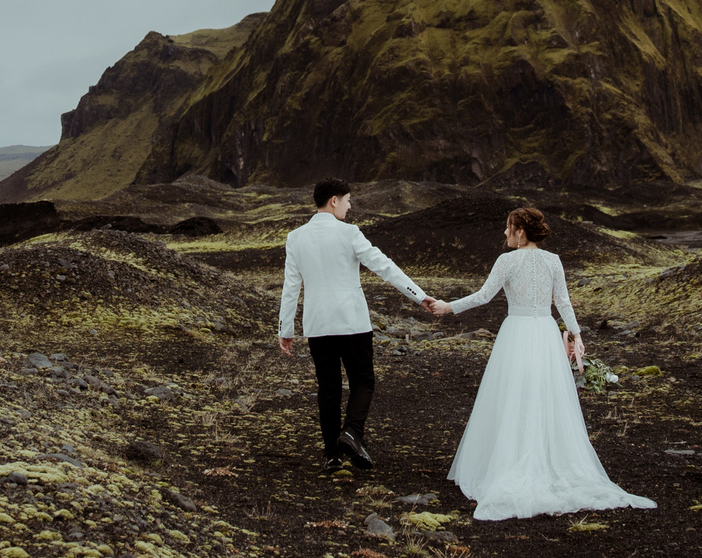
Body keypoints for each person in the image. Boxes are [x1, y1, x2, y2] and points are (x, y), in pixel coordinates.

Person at [444, 205, 655, 521]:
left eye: (507, 227)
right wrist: (576, 334)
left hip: (516, 333)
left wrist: (448, 308)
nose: (504, 233)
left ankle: (512, 461)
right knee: (544, 396)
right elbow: (563, 302)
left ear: (520, 231)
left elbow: (483, 297)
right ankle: (546, 459)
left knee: (513, 396)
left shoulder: (507, 261)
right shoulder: (553, 261)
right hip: (544, 333)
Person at [279, 179, 450, 469]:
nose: (350, 205)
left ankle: (332, 455)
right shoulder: (349, 233)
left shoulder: (295, 237)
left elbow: (290, 286)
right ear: (333, 200)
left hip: (317, 325)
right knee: (363, 381)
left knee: (328, 387)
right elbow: (384, 266)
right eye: (347, 200)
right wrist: (419, 296)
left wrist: (286, 329)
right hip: (352, 322)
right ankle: (352, 433)